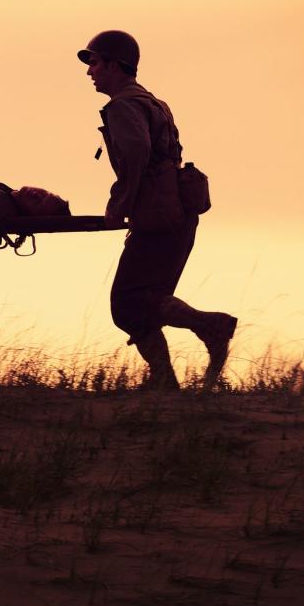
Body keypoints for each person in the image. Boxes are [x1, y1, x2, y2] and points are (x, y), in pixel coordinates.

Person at [79, 30, 237, 390]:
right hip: (175, 213)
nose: (90, 72)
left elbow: (136, 154)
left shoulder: (123, 105)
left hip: (158, 215)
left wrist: (119, 205)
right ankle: (164, 383)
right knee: (145, 299)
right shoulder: (152, 102)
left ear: (116, 65)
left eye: (95, 62)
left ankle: (210, 328)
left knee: (127, 303)